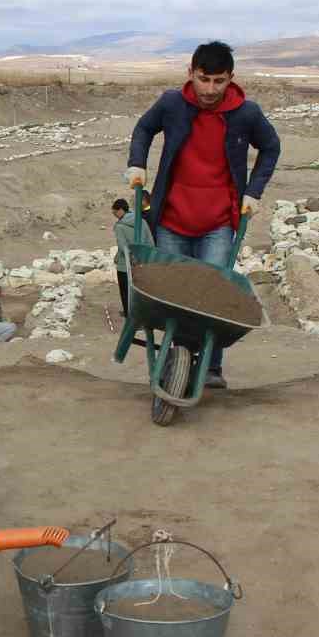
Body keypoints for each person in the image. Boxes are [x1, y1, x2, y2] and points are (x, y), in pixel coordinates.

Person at [126, 41, 280, 387]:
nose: (210, 89)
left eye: (219, 81)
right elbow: (144, 129)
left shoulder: (246, 113)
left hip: (219, 223)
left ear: (231, 79)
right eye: (204, 79)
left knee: (214, 296)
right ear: (190, 73)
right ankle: (175, 358)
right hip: (172, 220)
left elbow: (271, 147)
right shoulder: (172, 104)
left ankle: (211, 366)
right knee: (175, 296)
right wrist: (137, 163)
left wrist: (253, 192)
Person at [112, 196, 154, 316]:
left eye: (114, 212)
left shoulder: (119, 227)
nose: (114, 215)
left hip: (125, 265)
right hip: (142, 262)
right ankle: (141, 314)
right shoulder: (141, 221)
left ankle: (129, 314)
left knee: (126, 291)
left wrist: (124, 258)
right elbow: (150, 241)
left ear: (120, 210)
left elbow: (122, 246)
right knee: (139, 291)